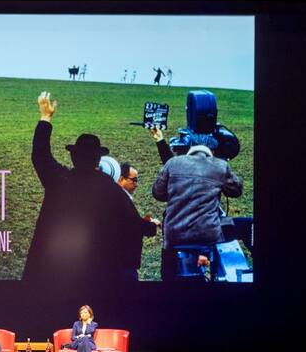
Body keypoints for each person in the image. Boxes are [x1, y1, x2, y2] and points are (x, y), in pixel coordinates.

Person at [24, 91, 160, 282]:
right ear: (98, 158)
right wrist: (151, 227)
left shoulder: (58, 179)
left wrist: (45, 117)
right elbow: (132, 223)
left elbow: (40, 154)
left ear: (73, 156)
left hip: (53, 272)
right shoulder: (110, 188)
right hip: (92, 274)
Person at [149, 126, 244, 280]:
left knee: (168, 275)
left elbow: (158, 194)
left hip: (174, 235)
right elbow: (236, 191)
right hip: (207, 236)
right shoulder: (220, 166)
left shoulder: (172, 163)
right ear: (212, 152)